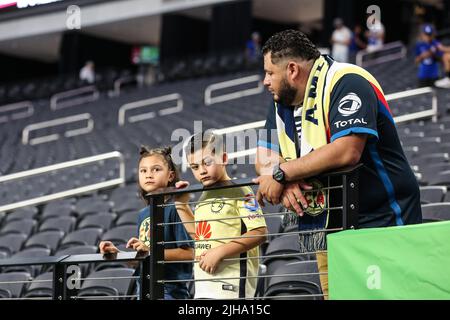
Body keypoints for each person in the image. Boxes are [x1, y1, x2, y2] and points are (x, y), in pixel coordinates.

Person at [254, 29, 422, 298]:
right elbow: (264, 154)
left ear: (293, 70)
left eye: (270, 72)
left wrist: (282, 172)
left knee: (390, 294)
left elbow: (347, 151)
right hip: (328, 222)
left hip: (380, 217)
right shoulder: (281, 102)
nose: (265, 81)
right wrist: (281, 177)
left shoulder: (346, 80)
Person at [175, 131, 268, 299]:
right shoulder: (203, 196)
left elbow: (259, 232)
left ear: (224, 158)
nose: (201, 171)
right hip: (204, 286)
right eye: (195, 167)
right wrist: (181, 204)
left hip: (231, 285)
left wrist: (220, 252)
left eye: (207, 163)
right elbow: (199, 235)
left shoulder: (241, 190)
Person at [99, 146, 194, 300]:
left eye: (156, 169)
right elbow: (144, 259)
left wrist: (151, 251)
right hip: (142, 290)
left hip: (169, 293)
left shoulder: (175, 208)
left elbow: (190, 253)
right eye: (143, 171)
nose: (148, 174)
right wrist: (118, 254)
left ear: (170, 175)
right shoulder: (143, 214)